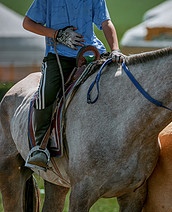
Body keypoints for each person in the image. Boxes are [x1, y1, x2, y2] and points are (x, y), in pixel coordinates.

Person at [23, 0, 125, 170]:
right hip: (58, 56)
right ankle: (39, 148)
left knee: (117, 85)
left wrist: (115, 49)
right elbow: (28, 23)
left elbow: (106, 22)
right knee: (45, 94)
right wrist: (57, 34)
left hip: (91, 53)